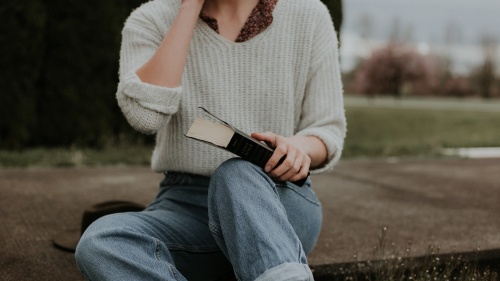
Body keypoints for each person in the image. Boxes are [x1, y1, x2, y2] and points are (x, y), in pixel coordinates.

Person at [74, 0, 346, 279]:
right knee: (101, 242)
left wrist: (299, 148)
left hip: (276, 197)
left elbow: (327, 130)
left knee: (236, 173)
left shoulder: (309, 14)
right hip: (186, 204)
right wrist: (189, 8)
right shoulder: (150, 19)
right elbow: (145, 117)